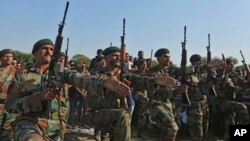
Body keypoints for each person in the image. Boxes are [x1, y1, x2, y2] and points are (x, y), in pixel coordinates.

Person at [5, 39, 131, 141]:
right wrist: (37, 98)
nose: (49, 51)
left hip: (56, 127)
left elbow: (81, 78)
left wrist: (103, 82)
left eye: (51, 49)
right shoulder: (22, 74)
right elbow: (10, 105)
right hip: (28, 123)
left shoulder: (62, 72)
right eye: (44, 48)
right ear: (35, 52)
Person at [207, 57, 249, 141]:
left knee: (230, 123)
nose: (231, 66)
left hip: (229, 101)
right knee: (242, 107)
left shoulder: (231, 76)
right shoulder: (217, 75)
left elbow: (242, 85)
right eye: (227, 64)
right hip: (221, 102)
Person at [147, 48, 184, 141]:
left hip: (168, 104)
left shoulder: (170, 71)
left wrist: (178, 91)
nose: (168, 59)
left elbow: (170, 90)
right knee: (172, 127)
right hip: (156, 103)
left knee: (167, 130)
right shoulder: (152, 72)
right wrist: (175, 91)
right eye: (165, 57)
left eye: (169, 57)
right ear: (158, 58)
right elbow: (152, 91)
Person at [186, 54, 209, 141]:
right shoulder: (189, 71)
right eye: (198, 62)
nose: (200, 63)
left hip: (204, 102)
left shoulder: (205, 73)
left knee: (205, 126)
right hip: (194, 104)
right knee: (197, 132)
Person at [0, 49, 17, 140]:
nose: (8, 58)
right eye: (6, 56)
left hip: (10, 107)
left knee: (7, 133)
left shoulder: (17, 72)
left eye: (10, 56)